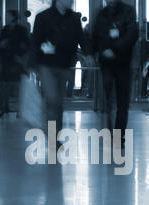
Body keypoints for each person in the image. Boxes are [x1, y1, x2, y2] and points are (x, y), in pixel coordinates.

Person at [31, 0, 91, 142]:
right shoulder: (43, 17)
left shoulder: (74, 18)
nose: (71, 1)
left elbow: (80, 37)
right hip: (47, 65)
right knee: (52, 99)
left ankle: (55, 134)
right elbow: (35, 41)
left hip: (65, 65)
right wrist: (33, 64)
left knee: (58, 103)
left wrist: (88, 54)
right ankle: (52, 137)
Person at [93, 0, 138, 146]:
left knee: (122, 101)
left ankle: (119, 136)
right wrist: (101, 52)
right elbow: (96, 37)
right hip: (106, 63)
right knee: (108, 98)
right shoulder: (101, 14)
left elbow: (132, 34)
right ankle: (110, 130)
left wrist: (114, 49)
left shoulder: (128, 11)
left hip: (123, 62)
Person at [0, 10, 29, 118]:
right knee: (5, 85)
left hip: (15, 59)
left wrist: (19, 54)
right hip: (8, 59)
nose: (6, 17)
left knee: (16, 86)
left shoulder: (20, 30)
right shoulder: (6, 29)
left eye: (8, 15)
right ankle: (3, 108)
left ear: (13, 17)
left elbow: (26, 45)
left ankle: (18, 109)